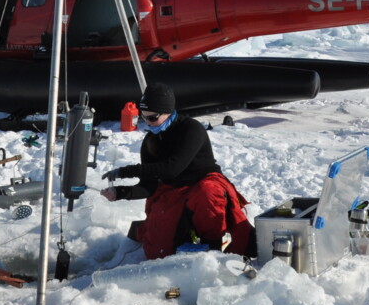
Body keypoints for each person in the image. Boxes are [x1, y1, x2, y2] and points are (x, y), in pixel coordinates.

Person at [100, 83, 255, 260]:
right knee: (157, 252)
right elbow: (149, 186)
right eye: (144, 118)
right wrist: (119, 192)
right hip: (174, 190)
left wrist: (126, 171)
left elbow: (171, 168)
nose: (148, 123)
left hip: (204, 184)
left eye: (153, 118)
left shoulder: (191, 129)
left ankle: (213, 246)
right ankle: (182, 236)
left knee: (208, 194)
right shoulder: (150, 142)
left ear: (167, 112)